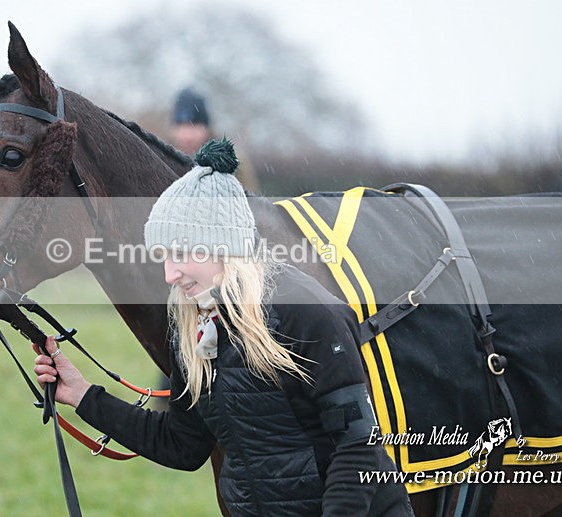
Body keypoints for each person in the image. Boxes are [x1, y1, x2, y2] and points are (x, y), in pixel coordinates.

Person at [34, 138, 412, 515]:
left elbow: (358, 447)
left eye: (180, 254)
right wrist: (82, 395)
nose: (169, 274)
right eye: (163, 257)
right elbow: (181, 444)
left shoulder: (307, 312)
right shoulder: (193, 323)